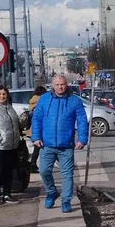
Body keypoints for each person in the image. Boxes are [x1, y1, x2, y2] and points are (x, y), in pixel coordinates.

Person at [31, 74, 88, 213]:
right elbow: (37, 119)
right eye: (57, 84)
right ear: (52, 85)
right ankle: (51, 192)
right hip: (46, 144)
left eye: (62, 84)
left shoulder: (74, 101)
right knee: (44, 171)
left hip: (66, 145)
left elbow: (81, 120)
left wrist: (82, 139)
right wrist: (36, 137)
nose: (60, 87)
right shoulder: (44, 99)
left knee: (67, 174)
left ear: (66, 84)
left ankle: (66, 200)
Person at [0, 84, 23, 205]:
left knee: (8, 171)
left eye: (4, 94)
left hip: (11, 146)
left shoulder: (9, 108)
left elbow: (15, 125)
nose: (2, 96)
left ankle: (7, 194)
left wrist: (23, 121)